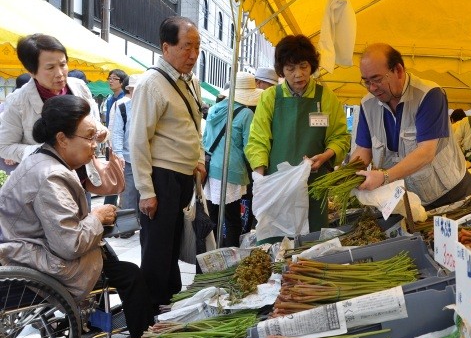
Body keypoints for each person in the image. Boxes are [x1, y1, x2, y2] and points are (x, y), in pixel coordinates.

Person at [0, 95, 154, 338]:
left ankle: (115, 328)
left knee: (118, 266)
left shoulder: (43, 160)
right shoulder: (50, 176)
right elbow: (70, 243)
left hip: (33, 249)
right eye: (89, 137)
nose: (95, 145)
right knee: (130, 275)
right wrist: (98, 216)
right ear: (62, 138)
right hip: (37, 262)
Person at [129, 16, 206, 312]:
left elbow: (194, 125)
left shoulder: (191, 83)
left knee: (173, 242)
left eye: (197, 48)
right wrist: (146, 191)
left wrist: (198, 159)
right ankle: (148, 310)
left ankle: (169, 300)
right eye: (187, 47)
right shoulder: (151, 84)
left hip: (183, 177)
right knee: (157, 248)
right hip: (161, 178)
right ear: (166, 47)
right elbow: (138, 140)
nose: (193, 55)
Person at [245, 34, 351, 237]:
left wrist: (326, 155)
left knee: (310, 242)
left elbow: (340, 137)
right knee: (276, 241)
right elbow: (258, 139)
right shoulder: (270, 97)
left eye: (303, 66)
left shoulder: (326, 97)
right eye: (290, 69)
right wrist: (260, 180)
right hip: (278, 185)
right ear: (281, 70)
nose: (298, 74)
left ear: (311, 65)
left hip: (313, 185)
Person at [352, 43, 471, 209]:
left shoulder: (428, 95)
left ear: (398, 70)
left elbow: (426, 152)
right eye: (366, 82)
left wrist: (384, 176)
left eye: (377, 79)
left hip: (450, 193)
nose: (372, 88)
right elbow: (363, 149)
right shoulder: (367, 105)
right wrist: (350, 173)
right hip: (410, 199)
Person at [0, 34, 106, 167]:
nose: (60, 73)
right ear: (32, 71)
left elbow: (92, 120)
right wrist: (44, 152)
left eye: (63, 64)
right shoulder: (17, 101)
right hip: (45, 178)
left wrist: (101, 130)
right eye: (50, 68)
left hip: (84, 174)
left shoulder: (79, 87)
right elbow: (4, 147)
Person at [203, 71, 262, 247]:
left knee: (212, 215)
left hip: (211, 168)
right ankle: (230, 256)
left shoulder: (213, 109)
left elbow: (205, 140)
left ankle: (211, 254)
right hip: (232, 170)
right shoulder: (246, 114)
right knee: (232, 218)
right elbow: (249, 147)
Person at [110, 75, 140, 238]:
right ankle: (127, 229)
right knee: (128, 194)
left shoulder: (148, 107)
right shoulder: (122, 106)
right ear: (130, 90)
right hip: (128, 158)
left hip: (146, 159)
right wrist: (118, 155)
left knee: (145, 193)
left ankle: (142, 224)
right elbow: (117, 133)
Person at [104, 69, 128, 206]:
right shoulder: (110, 99)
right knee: (113, 177)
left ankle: (112, 205)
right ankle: (110, 206)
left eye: (114, 78)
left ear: (122, 82)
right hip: (111, 145)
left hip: (122, 147)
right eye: (110, 78)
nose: (110, 81)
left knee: (118, 178)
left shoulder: (124, 101)